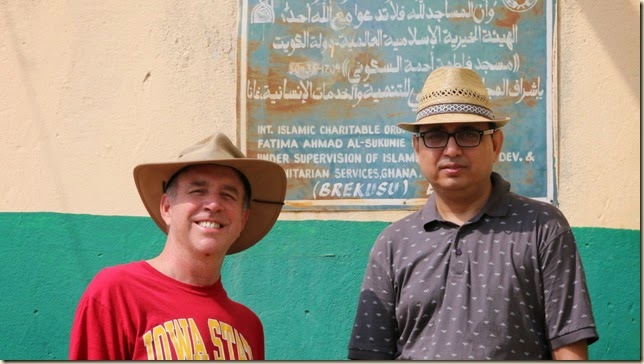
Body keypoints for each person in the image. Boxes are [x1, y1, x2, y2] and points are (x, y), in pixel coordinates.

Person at [347, 67, 598, 360]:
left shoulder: (542, 226)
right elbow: (371, 354)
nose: (451, 150)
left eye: (468, 134)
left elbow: (569, 349)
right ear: (417, 147)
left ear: (495, 144)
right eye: (435, 136)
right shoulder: (393, 243)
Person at [69, 132, 287, 360]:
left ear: (243, 219)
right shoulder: (116, 293)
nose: (213, 204)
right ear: (166, 207)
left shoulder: (248, 326)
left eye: (228, 195)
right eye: (198, 191)